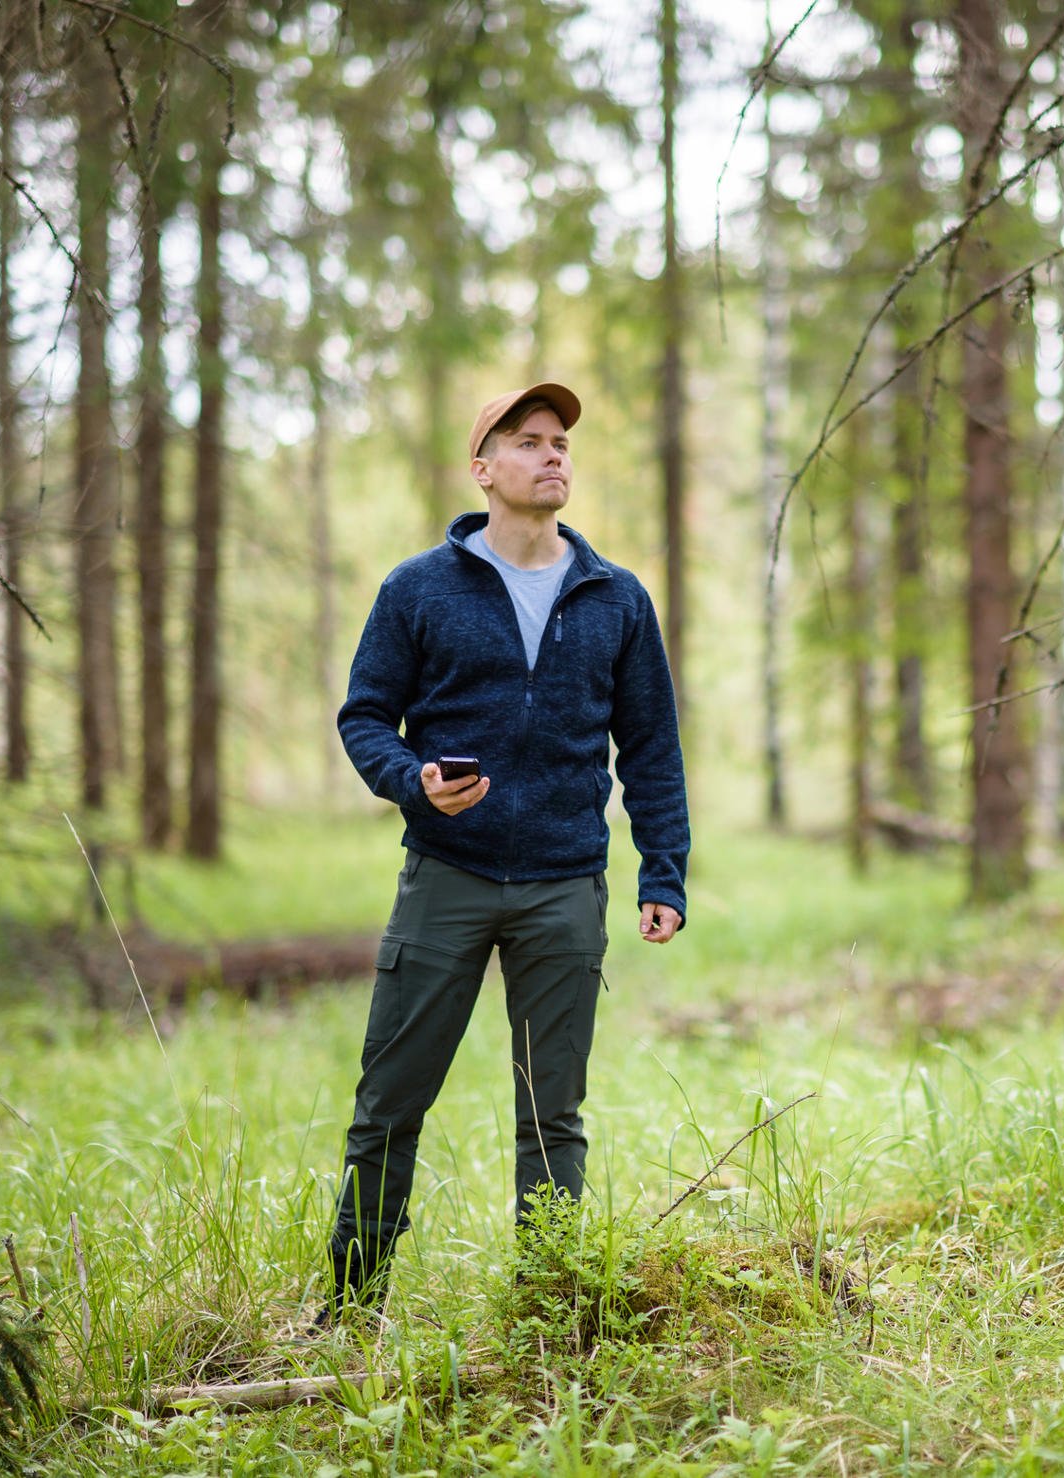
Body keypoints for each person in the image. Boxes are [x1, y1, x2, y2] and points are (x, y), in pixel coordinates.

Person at [319, 381, 688, 1323]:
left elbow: (650, 747)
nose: (553, 454)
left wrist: (663, 872)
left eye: (561, 441)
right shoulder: (418, 589)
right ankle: (353, 1309)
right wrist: (414, 782)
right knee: (388, 1107)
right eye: (529, 441)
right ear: (483, 468)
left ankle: (550, 1313)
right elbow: (365, 717)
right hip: (446, 876)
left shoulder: (616, 598)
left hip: (566, 884)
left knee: (551, 1119)